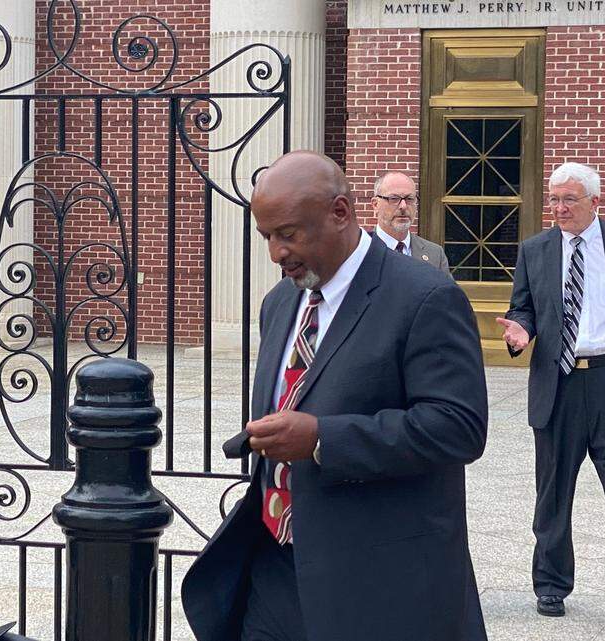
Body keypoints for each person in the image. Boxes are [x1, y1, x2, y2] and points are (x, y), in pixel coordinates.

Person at [181, 151, 489, 640]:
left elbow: (458, 428)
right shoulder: (280, 304)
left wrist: (325, 438)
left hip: (376, 580)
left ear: (341, 213)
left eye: (288, 233)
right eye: (267, 237)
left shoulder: (425, 297)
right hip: (275, 570)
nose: (276, 253)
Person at [496, 162, 605, 628]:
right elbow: (524, 308)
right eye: (553, 199)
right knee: (553, 495)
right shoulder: (535, 250)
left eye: (569, 199)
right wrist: (519, 332)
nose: (559, 208)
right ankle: (551, 586)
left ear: (596, 202)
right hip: (559, 384)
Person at [371, 171, 450, 274]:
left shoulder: (435, 254)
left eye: (409, 199)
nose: (403, 206)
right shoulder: (358, 253)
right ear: (375, 204)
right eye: (394, 199)